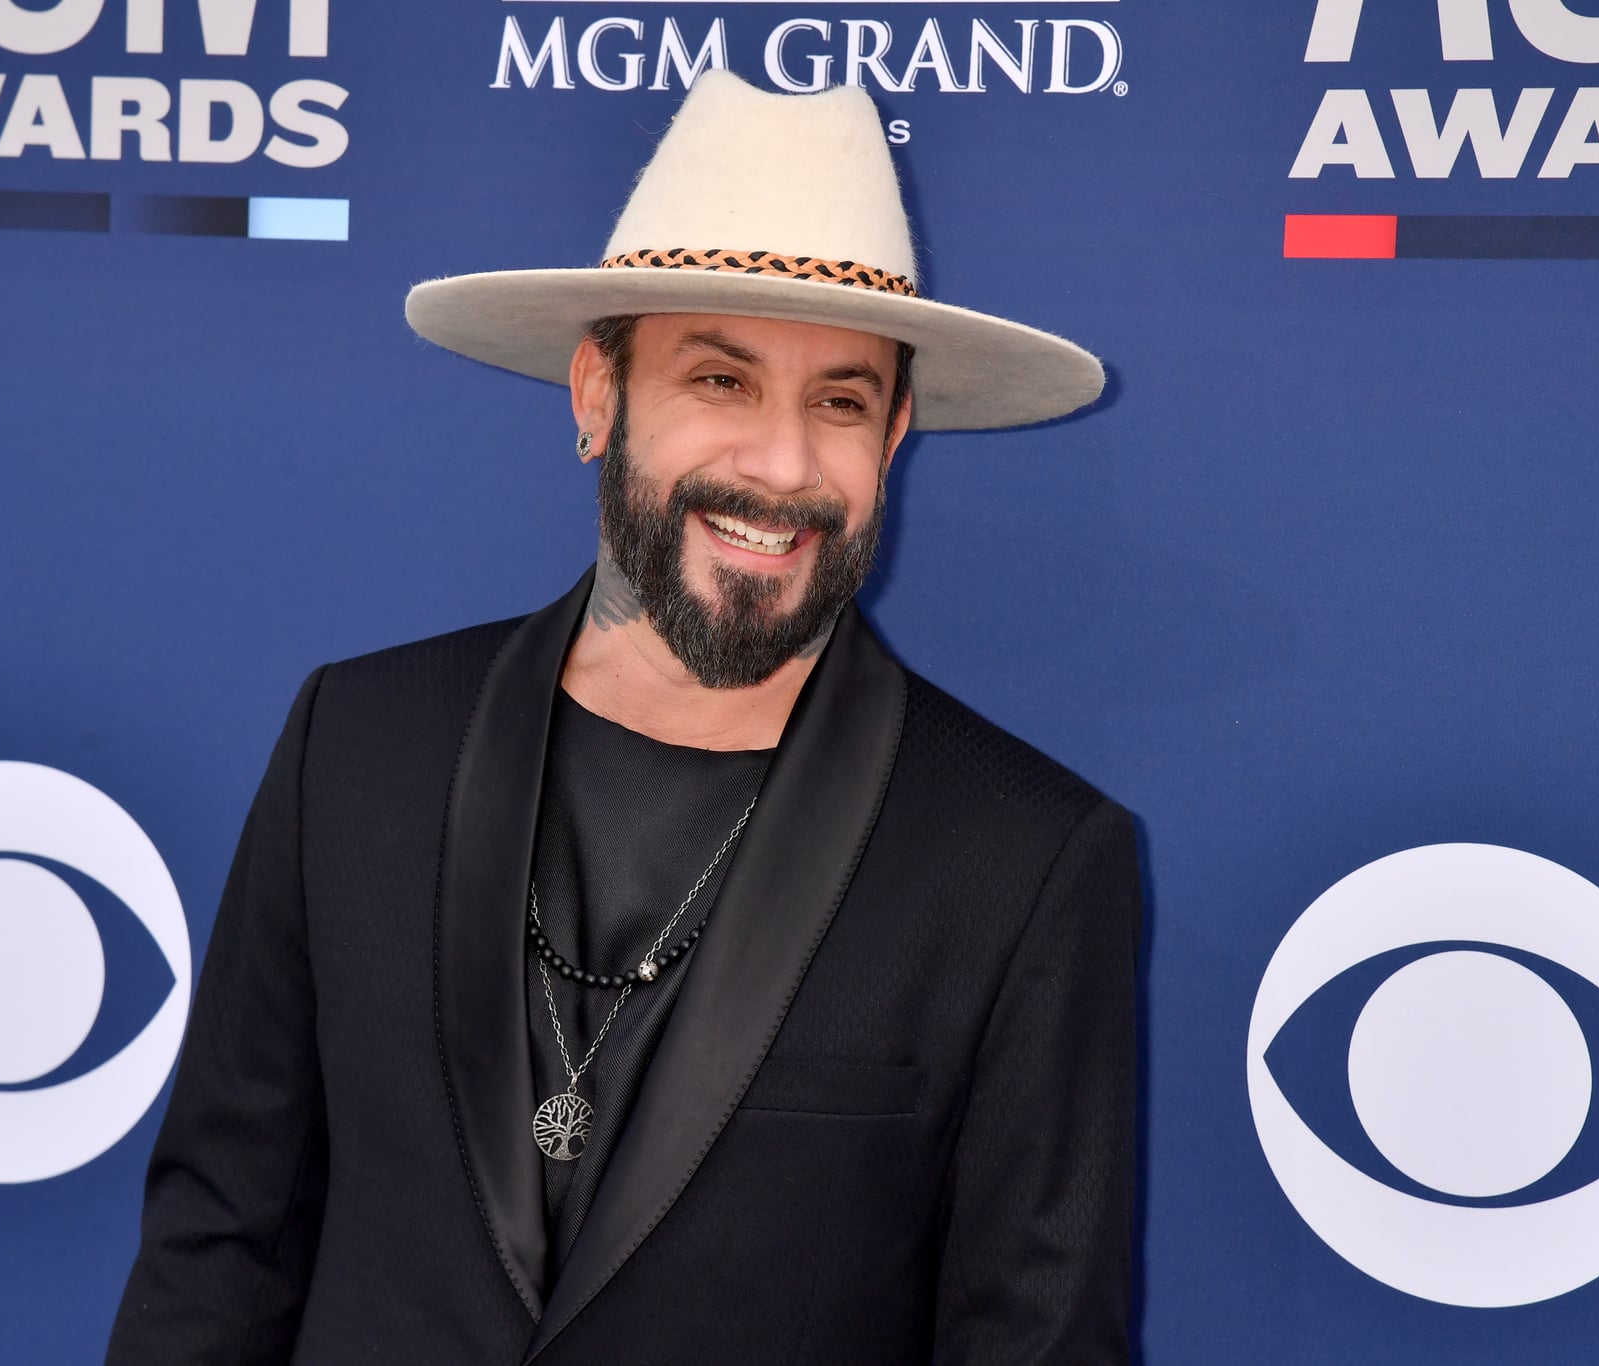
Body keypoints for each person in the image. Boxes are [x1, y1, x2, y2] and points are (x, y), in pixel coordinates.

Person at [107, 69, 1139, 1365]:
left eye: (840, 400)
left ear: (894, 437)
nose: (781, 464)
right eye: (722, 379)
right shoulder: (357, 750)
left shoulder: (1022, 859)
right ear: (599, 394)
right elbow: (217, 1252)